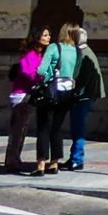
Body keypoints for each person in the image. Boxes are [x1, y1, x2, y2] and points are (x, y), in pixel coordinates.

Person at [33, 24, 79, 176]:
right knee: (57, 128)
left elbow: (40, 70)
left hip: (51, 91)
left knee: (43, 127)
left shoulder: (54, 47)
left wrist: (45, 75)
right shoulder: (77, 51)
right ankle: (54, 163)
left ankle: (41, 165)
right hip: (67, 93)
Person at [62, 26, 107, 171]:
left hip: (84, 97)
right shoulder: (85, 52)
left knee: (78, 126)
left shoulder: (83, 54)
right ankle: (75, 157)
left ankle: (77, 158)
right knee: (77, 126)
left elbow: (83, 79)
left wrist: (74, 93)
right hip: (86, 95)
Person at [4, 28, 48, 174]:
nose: (49, 38)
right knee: (18, 129)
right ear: (37, 37)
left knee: (21, 129)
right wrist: (41, 77)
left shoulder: (39, 54)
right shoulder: (30, 55)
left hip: (28, 95)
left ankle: (14, 158)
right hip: (21, 96)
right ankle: (12, 160)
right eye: (45, 35)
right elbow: (28, 72)